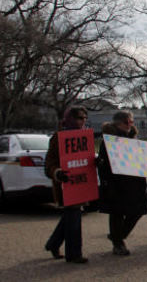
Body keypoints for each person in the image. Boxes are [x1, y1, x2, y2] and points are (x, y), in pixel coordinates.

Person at [97, 111, 147, 256]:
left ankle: (118, 235)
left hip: (135, 182)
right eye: (127, 122)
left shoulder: (134, 139)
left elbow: (142, 160)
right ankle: (118, 243)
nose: (130, 125)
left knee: (139, 209)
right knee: (117, 213)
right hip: (117, 182)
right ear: (117, 123)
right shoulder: (109, 141)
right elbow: (104, 164)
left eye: (131, 122)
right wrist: (106, 182)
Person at [44, 106, 89, 264]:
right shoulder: (58, 137)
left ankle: (53, 244)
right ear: (69, 118)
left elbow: (87, 160)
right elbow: (49, 164)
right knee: (73, 218)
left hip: (81, 184)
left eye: (84, 118)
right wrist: (58, 172)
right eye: (78, 117)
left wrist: (96, 162)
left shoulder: (85, 137)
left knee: (70, 218)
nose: (82, 121)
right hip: (66, 184)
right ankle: (74, 254)